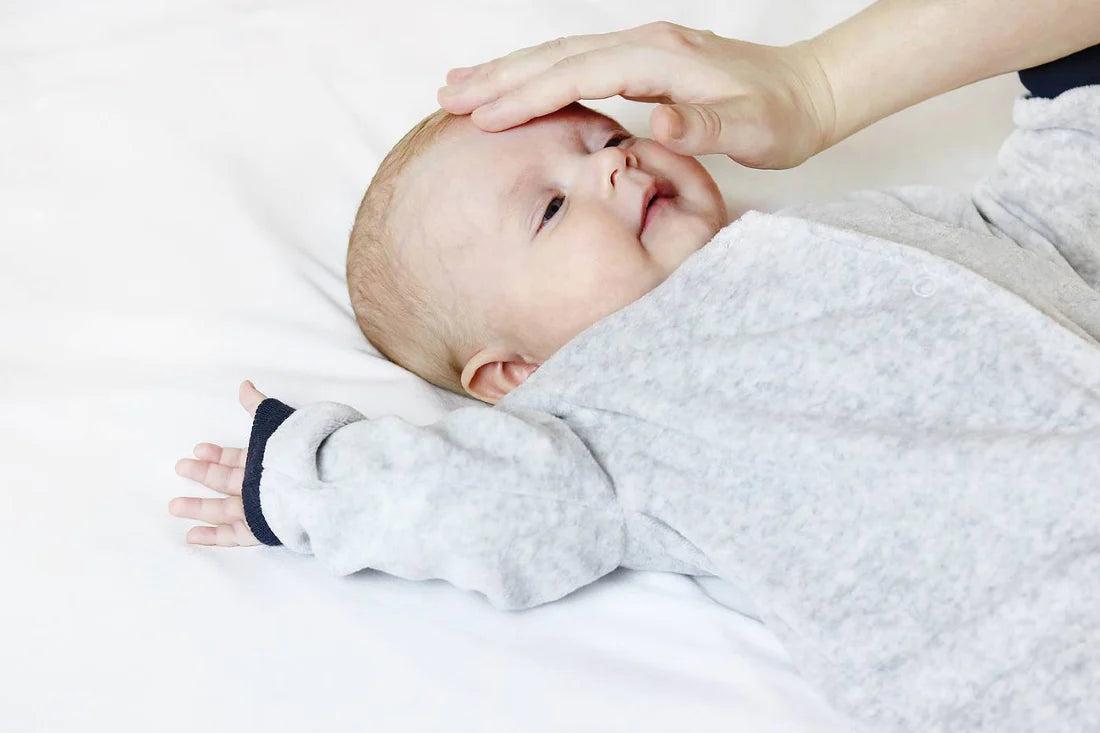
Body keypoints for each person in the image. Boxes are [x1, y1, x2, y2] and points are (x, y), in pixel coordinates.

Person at [169, 0, 1100, 730]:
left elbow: (1032, 236)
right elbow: (476, 506)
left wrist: (1074, 98)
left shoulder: (847, 228)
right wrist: (307, 481)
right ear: (512, 373)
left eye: (607, 141)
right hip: (1030, 628)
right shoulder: (606, 420)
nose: (610, 170)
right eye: (550, 210)